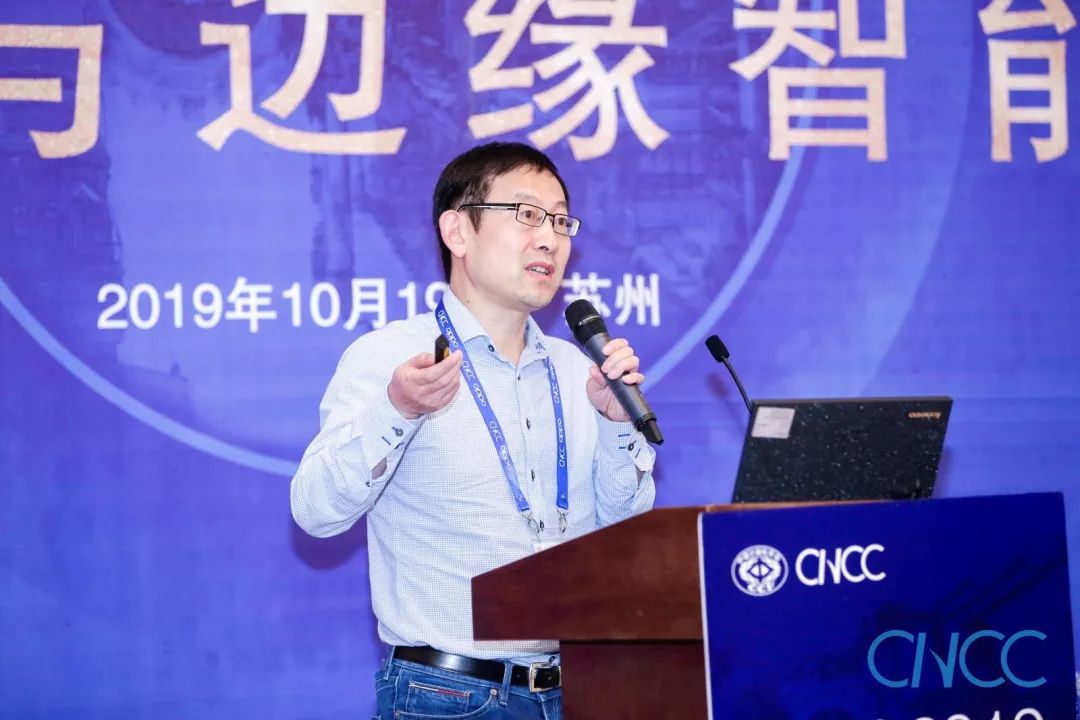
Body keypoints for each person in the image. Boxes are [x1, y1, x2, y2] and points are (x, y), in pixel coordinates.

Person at [290, 141, 657, 720]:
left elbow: (624, 540)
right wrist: (397, 410)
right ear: (457, 232)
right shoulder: (390, 357)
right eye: (527, 214)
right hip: (445, 695)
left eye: (560, 220)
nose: (549, 238)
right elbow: (315, 510)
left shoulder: (579, 371)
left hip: (580, 689)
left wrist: (616, 427)